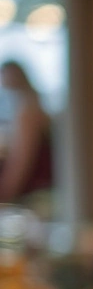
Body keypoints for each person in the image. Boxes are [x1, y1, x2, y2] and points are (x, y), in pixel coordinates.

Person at [0, 61, 54, 202]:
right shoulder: (28, 105)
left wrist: (5, 193)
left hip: (35, 193)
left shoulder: (28, 111)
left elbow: (22, 161)